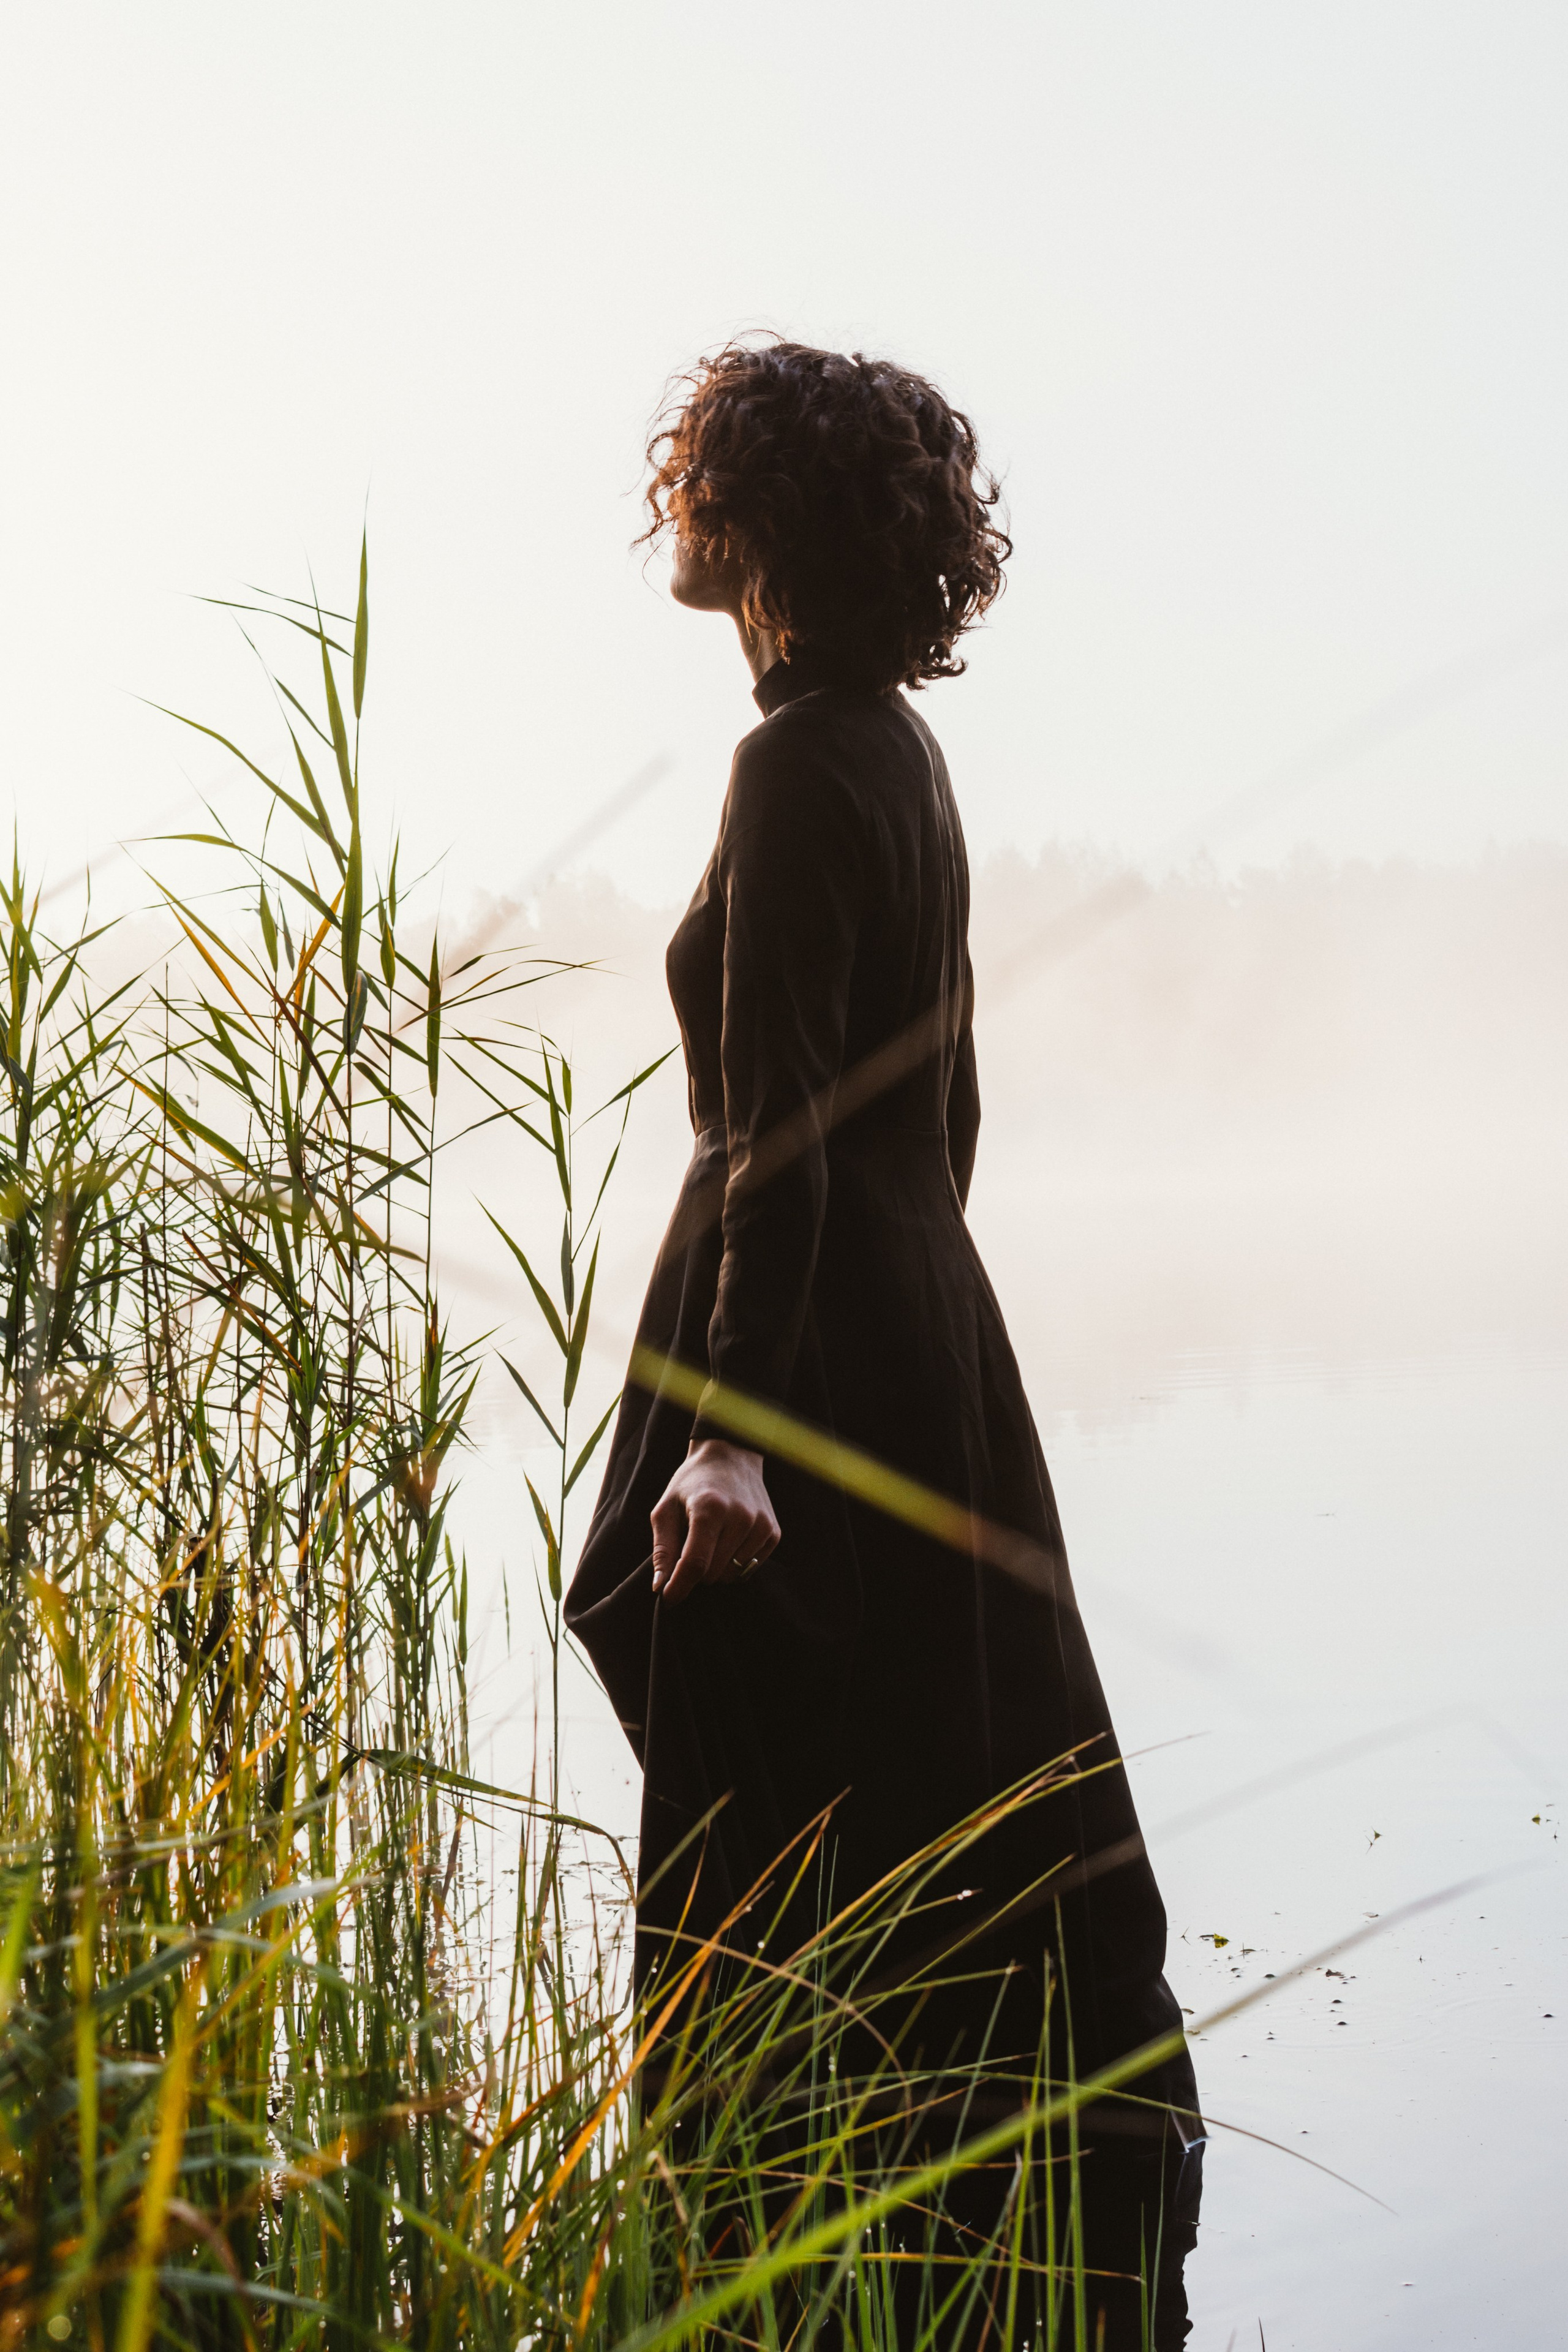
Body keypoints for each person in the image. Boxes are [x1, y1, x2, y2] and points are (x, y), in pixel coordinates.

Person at [565, 337, 1202, 2345]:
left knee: (778, 1797)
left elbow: (775, 1125)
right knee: (937, 1772)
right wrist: (914, 1317)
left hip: (802, 1337)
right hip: (926, 1323)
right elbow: (940, 1118)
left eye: (699, 476)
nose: (676, 503)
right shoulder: (894, 755)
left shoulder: (784, 763)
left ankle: (791, 2219)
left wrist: (737, 1431)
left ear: (753, 518)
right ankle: (983, 2214)